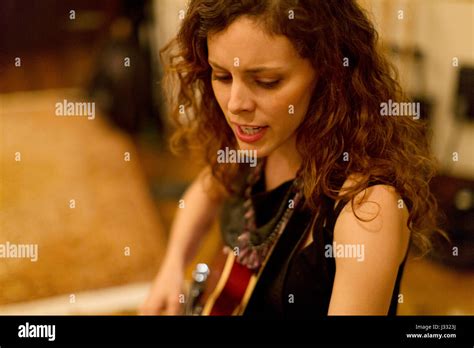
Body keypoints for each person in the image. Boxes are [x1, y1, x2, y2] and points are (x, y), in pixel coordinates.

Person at [140, 0, 443, 317]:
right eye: (222, 76)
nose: (235, 104)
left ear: (329, 74)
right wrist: (172, 267)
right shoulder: (254, 148)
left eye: (267, 81)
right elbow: (206, 190)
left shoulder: (367, 209)